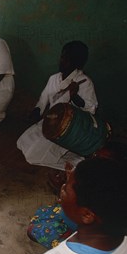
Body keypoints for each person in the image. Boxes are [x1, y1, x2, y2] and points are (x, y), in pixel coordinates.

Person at [28, 141, 127, 249]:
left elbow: (85, 211)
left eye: (102, 159)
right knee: (41, 216)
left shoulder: (107, 191)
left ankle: (69, 243)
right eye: (95, 155)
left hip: (81, 227)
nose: (95, 160)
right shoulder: (97, 175)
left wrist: (64, 186)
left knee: (36, 231)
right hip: (77, 216)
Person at [17, 40, 98, 170]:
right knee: (21, 143)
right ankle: (70, 154)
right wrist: (36, 111)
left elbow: (91, 110)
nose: (62, 61)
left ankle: (77, 165)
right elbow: (43, 100)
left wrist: (75, 96)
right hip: (50, 122)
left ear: (77, 63)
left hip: (68, 130)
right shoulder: (54, 78)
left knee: (32, 157)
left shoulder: (85, 82)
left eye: (67, 59)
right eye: (62, 57)